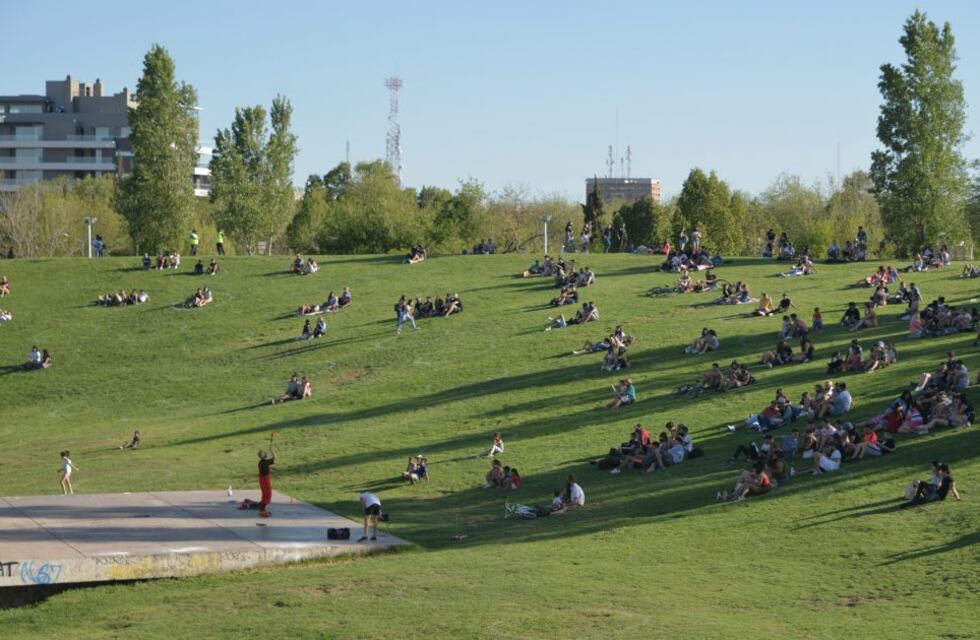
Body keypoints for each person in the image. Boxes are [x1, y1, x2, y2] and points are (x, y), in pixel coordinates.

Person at [257, 444, 276, 517]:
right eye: (264, 453)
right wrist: (271, 450)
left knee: (265, 494)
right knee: (267, 494)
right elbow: (274, 457)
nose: (265, 453)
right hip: (265, 479)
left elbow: (264, 470)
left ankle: (262, 507)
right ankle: (262, 509)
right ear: (262, 456)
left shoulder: (261, 462)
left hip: (263, 479)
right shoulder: (265, 462)